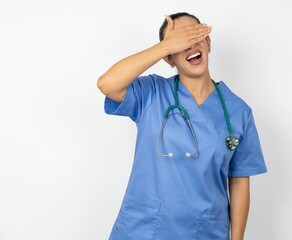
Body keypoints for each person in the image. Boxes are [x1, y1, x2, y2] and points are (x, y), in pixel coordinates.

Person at [97, 12, 267, 240]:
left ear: (208, 42)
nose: (189, 45)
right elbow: (107, 84)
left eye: (195, 35)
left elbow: (239, 181)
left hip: (204, 232)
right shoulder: (152, 93)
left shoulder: (238, 111)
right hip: (144, 230)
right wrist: (164, 46)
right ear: (169, 57)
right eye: (181, 40)